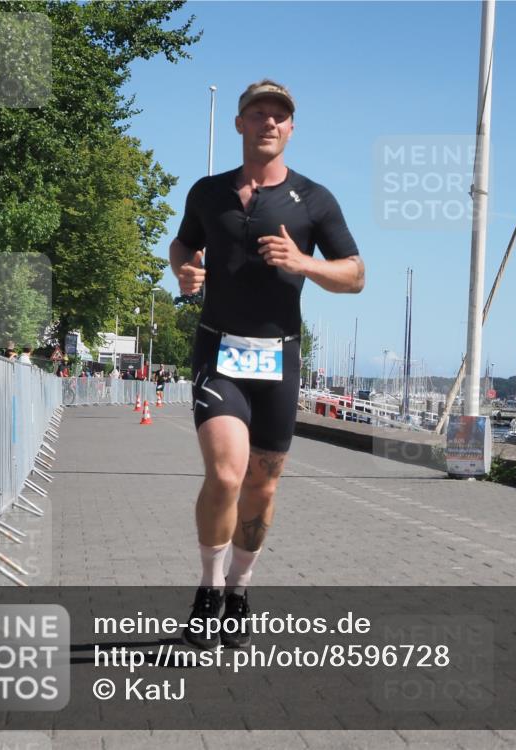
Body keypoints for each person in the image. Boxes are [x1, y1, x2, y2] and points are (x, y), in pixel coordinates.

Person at [169, 79, 364, 649]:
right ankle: (207, 589)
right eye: (259, 114)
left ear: (291, 129)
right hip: (218, 349)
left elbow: (355, 274)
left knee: (261, 488)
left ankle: (240, 589)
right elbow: (183, 245)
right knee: (226, 474)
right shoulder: (207, 193)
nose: (269, 123)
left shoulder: (315, 199)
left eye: (280, 116)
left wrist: (305, 262)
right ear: (240, 125)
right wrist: (183, 269)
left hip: (280, 358)